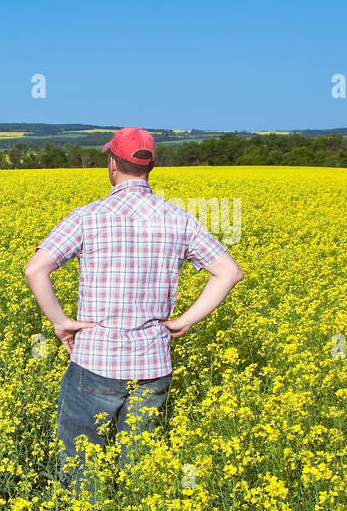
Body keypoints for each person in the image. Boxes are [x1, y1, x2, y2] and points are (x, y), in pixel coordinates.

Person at [22, 126, 244, 487]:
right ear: (150, 167)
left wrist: (61, 322)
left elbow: (36, 269)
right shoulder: (180, 219)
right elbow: (229, 272)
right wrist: (186, 320)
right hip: (153, 365)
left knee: (81, 467)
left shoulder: (87, 217)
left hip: (96, 362)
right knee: (137, 466)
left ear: (113, 164)